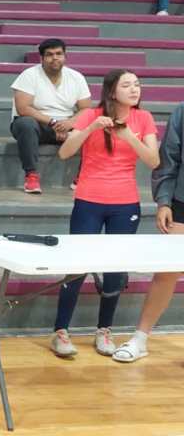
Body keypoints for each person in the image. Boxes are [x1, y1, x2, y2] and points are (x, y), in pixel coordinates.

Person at [50, 69, 159, 358]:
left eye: (137, 84)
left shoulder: (143, 118)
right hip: (89, 199)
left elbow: (153, 160)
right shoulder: (91, 114)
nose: (135, 89)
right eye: (127, 85)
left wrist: (128, 136)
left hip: (126, 203)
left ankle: (104, 329)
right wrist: (90, 129)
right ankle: (61, 330)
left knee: (115, 266)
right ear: (112, 91)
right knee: (77, 265)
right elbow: (64, 153)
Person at [112, 100, 184, 363]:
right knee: (167, 273)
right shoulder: (182, 111)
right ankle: (140, 338)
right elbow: (169, 159)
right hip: (182, 203)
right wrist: (164, 201)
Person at [10, 38, 91, 194]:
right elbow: (23, 108)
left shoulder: (76, 77)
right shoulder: (29, 75)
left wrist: (70, 123)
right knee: (25, 123)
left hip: (66, 126)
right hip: (38, 125)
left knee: (95, 126)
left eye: (59, 54)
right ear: (42, 58)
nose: (55, 58)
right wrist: (54, 123)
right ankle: (31, 176)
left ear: (65, 56)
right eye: (50, 54)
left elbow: (86, 109)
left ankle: (83, 177)